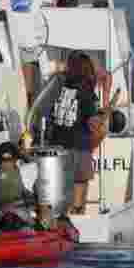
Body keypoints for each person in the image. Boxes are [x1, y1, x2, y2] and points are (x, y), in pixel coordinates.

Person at [46, 52, 110, 215]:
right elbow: (94, 124)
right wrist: (107, 98)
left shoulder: (59, 88)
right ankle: (75, 231)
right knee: (77, 205)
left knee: (59, 202)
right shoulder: (87, 93)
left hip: (57, 149)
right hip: (78, 150)